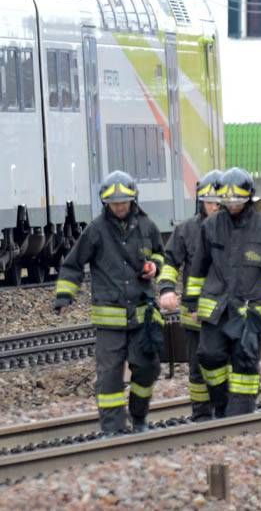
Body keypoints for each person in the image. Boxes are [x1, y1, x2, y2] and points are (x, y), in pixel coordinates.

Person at [53, 171, 172, 434]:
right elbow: (72, 265)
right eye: (114, 203)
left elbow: (161, 256)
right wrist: (64, 296)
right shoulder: (95, 231)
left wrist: (155, 267)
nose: (119, 207)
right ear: (105, 203)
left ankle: (138, 416)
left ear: (132, 200)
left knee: (148, 368)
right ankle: (113, 431)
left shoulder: (147, 226)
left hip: (142, 317)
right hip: (109, 323)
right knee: (109, 379)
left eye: (123, 202)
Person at [188, 167, 261, 417]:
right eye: (228, 201)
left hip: (248, 312)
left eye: (237, 200)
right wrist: (191, 302)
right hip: (216, 309)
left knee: (245, 364)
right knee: (209, 356)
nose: (232, 205)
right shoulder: (211, 226)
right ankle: (221, 405)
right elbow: (198, 266)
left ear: (248, 197)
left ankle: (240, 419)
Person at [155, 169, 223, 421]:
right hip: (195, 318)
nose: (214, 206)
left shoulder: (236, 230)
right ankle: (202, 415)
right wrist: (167, 289)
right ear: (200, 202)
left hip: (225, 317)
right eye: (209, 202)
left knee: (223, 366)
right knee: (197, 370)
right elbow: (170, 262)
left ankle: (224, 411)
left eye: (218, 202)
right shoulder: (187, 230)